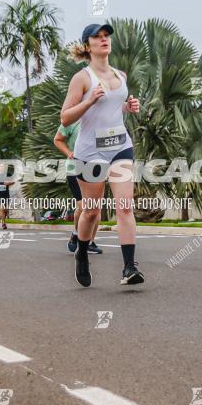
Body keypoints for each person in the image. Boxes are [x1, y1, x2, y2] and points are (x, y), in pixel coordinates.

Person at [61, 23, 143, 287]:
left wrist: (129, 107)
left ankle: (129, 267)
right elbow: (65, 117)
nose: (104, 40)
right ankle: (82, 252)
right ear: (88, 46)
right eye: (98, 37)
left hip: (120, 145)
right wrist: (88, 101)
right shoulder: (82, 78)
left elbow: (114, 108)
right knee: (92, 212)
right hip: (90, 151)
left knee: (125, 205)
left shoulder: (120, 75)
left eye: (106, 36)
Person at [53, 121, 102, 255]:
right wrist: (69, 153)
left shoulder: (99, 118)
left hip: (96, 167)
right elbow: (57, 140)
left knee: (96, 208)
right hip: (74, 168)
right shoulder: (72, 121)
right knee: (84, 206)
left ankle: (90, 242)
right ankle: (77, 234)